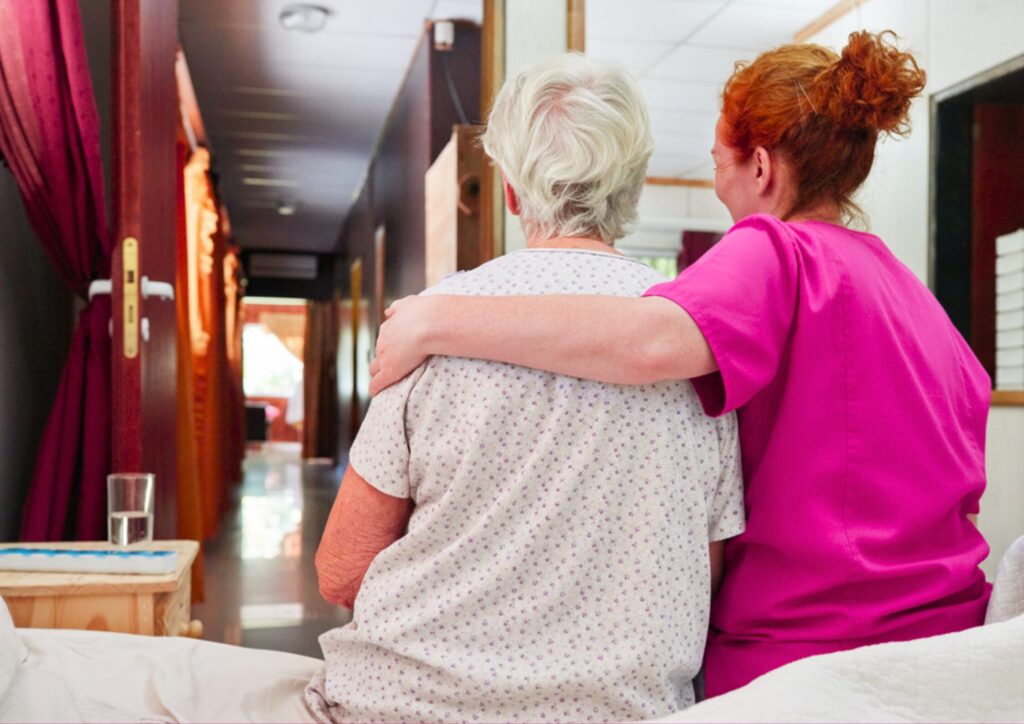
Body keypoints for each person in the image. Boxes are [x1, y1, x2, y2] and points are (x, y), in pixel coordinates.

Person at [370, 30, 992, 697]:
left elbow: (647, 342)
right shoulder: (917, 298)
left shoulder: (776, 252)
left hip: (810, 669)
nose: (718, 185)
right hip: (951, 653)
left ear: (760, 167)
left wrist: (432, 320)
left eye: (717, 161)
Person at [305, 53, 745, 722]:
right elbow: (699, 575)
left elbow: (341, 572)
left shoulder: (429, 327)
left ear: (509, 190)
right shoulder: (696, 344)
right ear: (633, 189)